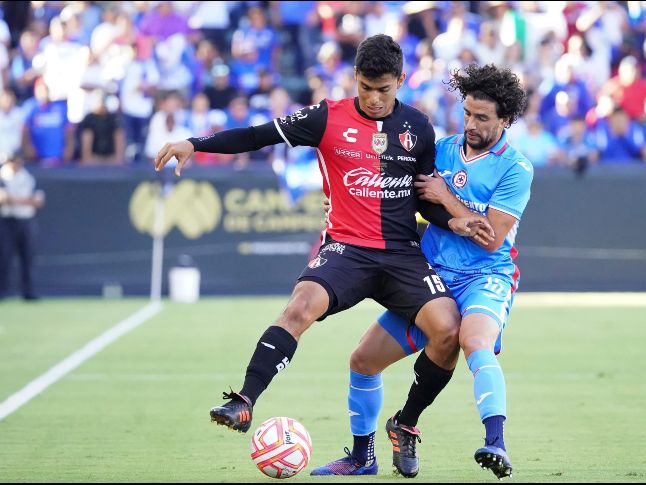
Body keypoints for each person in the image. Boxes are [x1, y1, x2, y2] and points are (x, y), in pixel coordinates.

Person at [153, 35, 493, 476]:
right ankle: (244, 401)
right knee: (300, 306)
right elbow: (258, 135)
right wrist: (195, 144)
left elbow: (424, 196)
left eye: (383, 89)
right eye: (365, 87)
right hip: (346, 249)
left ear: (401, 82)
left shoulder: (419, 128)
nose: (373, 98)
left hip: (401, 254)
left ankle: (405, 424)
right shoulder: (325, 116)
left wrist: (454, 219)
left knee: (448, 331)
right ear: (355, 79)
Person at [310, 64, 532, 480]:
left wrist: (446, 197)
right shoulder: (441, 149)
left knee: (473, 339)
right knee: (362, 361)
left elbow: (490, 239)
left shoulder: (515, 169)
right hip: (430, 277)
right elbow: (391, 203)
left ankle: (495, 442)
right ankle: (364, 456)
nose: (471, 123)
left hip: (486, 277)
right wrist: (347, 208)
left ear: (505, 120)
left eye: (482, 118)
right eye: (467, 113)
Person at [0, 151, 45, 301]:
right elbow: (2, 199)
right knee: (4, 257)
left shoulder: (28, 177)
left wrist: (14, 200)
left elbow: (38, 201)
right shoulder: (2, 176)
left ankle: (29, 291)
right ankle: (3, 291)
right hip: (7, 221)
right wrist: (26, 200)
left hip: (26, 220)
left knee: (28, 257)